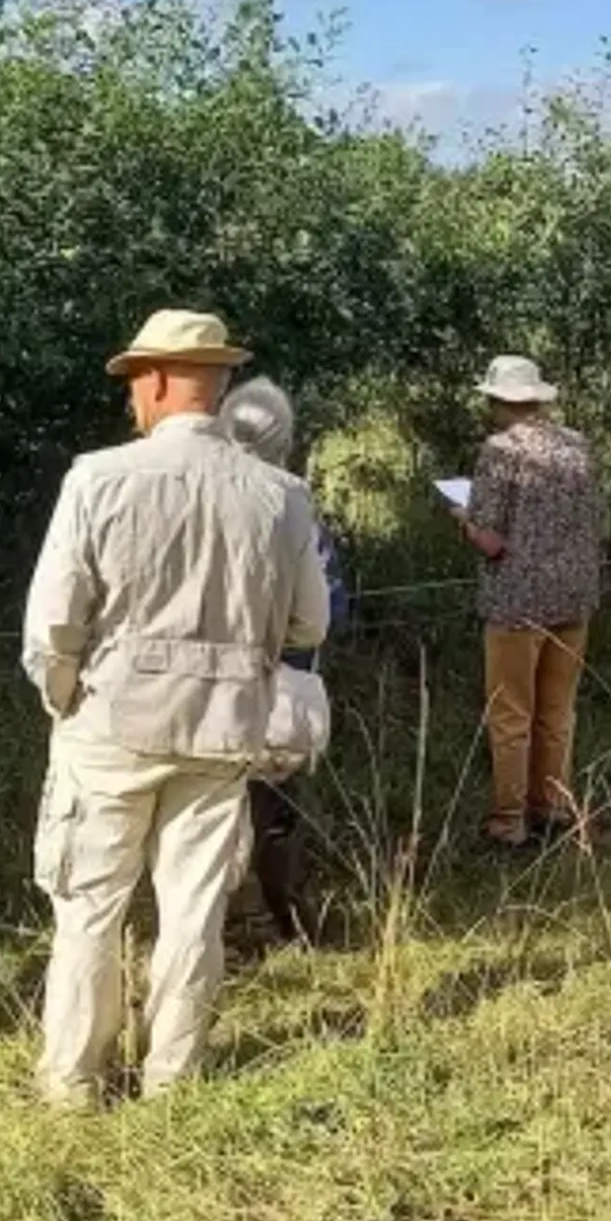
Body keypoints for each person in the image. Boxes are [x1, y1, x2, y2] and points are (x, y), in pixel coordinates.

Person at [22, 309, 331, 1107]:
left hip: (112, 718)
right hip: (224, 723)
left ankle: (74, 1081)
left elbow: (55, 621)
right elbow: (311, 622)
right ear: (220, 383)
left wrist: (63, 698)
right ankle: (173, 1076)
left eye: (134, 384)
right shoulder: (282, 493)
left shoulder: (98, 477)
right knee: (194, 906)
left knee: (90, 904)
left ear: (155, 381)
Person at [457, 356, 607, 850]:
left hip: (516, 599)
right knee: (558, 711)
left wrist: (463, 518)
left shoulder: (501, 450)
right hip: (574, 594)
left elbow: (491, 541)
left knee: (511, 714)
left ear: (500, 401)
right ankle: (555, 808)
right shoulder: (577, 447)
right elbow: (598, 522)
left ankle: (509, 821)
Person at [219, 376, 349, 944]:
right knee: (274, 811)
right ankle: (281, 919)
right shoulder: (294, 503)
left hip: (197, 686)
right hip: (277, 682)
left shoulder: (195, 492)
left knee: (206, 809)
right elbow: (330, 607)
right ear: (287, 440)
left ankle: (222, 920)